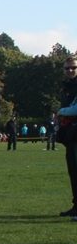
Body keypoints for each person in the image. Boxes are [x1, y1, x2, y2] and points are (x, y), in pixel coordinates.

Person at [57, 56, 77, 217]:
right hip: (71, 133)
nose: (70, 71)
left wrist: (61, 112)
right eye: (67, 68)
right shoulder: (67, 87)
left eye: (73, 68)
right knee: (73, 170)